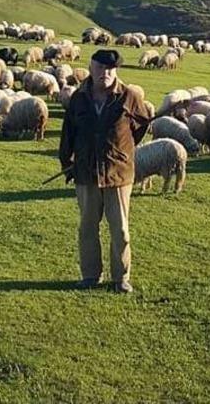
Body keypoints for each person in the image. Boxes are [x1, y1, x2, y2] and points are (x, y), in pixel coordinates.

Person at [58, 49, 152, 293]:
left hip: (118, 174)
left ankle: (121, 277)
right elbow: (68, 133)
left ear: (116, 70)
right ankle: (91, 275)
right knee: (87, 227)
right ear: (91, 69)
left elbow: (141, 126)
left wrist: (122, 150)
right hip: (86, 172)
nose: (105, 73)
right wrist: (67, 163)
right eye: (100, 68)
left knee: (120, 229)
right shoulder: (79, 98)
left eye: (110, 69)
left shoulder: (129, 96)